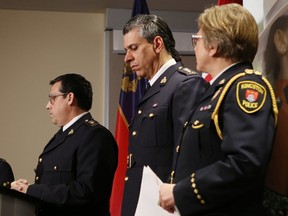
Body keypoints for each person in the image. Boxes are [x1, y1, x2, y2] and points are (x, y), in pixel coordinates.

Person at [159, 4, 278, 216]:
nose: (195, 46)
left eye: (197, 40)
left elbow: (245, 163)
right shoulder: (217, 89)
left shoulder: (245, 88)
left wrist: (181, 192)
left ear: (213, 46)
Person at [121, 14, 208, 215]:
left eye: (133, 48)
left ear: (157, 44)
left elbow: (188, 156)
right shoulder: (154, 89)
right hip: (142, 202)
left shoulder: (184, 84)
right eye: (126, 50)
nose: (127, 58)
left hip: (165, 207)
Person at [11, 74, 118, 216]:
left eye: (52, 98)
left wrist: (32, 190)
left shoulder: (95, 136)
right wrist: (24, 189)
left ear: (69, 98)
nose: (47, 106)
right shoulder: (62, 136)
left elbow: (85, 191)